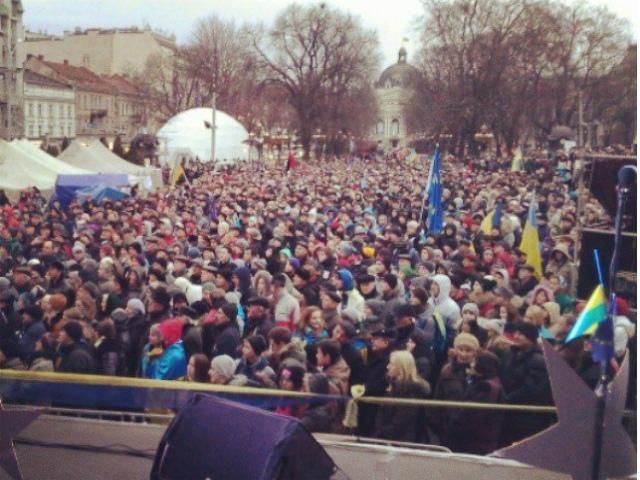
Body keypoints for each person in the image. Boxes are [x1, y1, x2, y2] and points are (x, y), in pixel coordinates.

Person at [500, 322, 552, 446]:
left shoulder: (538, 360)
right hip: (510, 412)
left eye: (521, 334)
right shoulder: (510, 354)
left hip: (526, 415)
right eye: (516, 333)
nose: (516, 336)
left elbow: (531, 390)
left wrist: (507, 399)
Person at [446, 350, 505, 454]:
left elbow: (473, 416)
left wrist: (454, 418)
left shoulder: (486, 387)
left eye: (475, 361)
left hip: (474, 442)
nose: (471, 364)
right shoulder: (489, 382)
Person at [374, 350, 431, 442]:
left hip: (400, 442)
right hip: (386, 438)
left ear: (401, 368)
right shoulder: (392, 387)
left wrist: (381, 433)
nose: (387, 367)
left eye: (391, 364)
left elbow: (401, 424)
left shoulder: (409, 392)